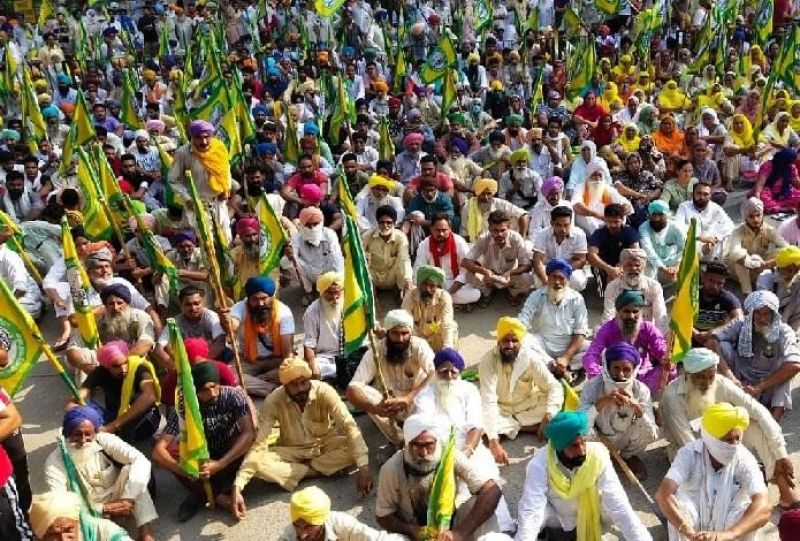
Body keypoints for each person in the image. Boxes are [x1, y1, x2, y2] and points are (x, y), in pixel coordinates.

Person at [231, 357, 371, 517]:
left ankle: (301, 473)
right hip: (291, 450)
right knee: (260, 464)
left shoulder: (324, 391)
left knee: (356, 445)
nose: (300, 389)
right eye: (294, 385)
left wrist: (363, 468)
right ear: (285, 386)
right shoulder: (273, 401)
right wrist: (238, 486)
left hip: (324, 445)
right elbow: (259, 444)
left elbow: (348, 425)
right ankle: (317, 471)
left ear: (309, 379)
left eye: (304, 382)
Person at [661, 348, 796, 507]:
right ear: (687, 375)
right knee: (712, 493)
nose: (707, 383)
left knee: (756, 425)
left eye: (710, 376)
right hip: (693, 448)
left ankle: (784, 487)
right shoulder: (672, 396)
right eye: (700, 377)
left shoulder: (721, 382)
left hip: (726, 438)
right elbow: (687, 442)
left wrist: (781, 455)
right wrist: (730, 464)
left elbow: (759, 412)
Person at [414, 348, 515, 532]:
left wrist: (465, 453)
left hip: (471, 451)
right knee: (443, 503)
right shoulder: (425, 395)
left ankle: (504, 529)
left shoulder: (469, 390)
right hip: (437, 456)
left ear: (460, 373)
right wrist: (446, 460)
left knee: (488, 484)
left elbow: (476, 425)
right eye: (443, 371)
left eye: (454, 372)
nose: (449, 376)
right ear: (436, 372)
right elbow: (426, 429)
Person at [515, 410, 652, 540]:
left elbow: (620, 505)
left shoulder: (598, 456)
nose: (582, 451)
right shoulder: (539, 465)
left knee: (615, 506)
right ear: (559, 447)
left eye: (584, 442)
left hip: (593, 513)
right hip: (559, 517)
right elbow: (531, 510)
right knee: (531, 515)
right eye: (574, 446)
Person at [152, 363, 255, 522]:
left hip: (229, 452)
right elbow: (158, 451)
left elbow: (249, 432)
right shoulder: (185, 407)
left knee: (251, 443)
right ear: (195, 392)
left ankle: (202, 493)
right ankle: (216, 495)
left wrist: (220, 464)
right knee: (172, 454)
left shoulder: (233, 395)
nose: (212, 393)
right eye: (204, 390)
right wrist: (184, 471)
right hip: (201, 457)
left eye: (214, 386)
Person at [655, 403, 771, 541]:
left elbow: (764, 506)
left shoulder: (744, 458)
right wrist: (689, 532)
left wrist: (728, 535)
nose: (734, 445)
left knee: (749, 514)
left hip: (728, 523)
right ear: (711, 439)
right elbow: (663, 494)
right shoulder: (688, 453)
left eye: (737, 438)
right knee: (680, 507)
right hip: (694, 522)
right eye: (728, 440)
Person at [375, 414, 502, 540]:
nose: (424, 453)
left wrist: (460, 533)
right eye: (417, 445)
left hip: (450, 528)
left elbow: (492, 490)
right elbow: (383, 515)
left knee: (480, 506)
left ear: (436, 441)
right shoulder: (391, 468)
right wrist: (412, 530)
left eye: (429, 445)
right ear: (407, 443)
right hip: (413, 534)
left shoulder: (449, 455)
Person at [44, 406, 157, 541]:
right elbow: (60, 502)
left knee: (134, 474)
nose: (83, 440)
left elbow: (141, 461)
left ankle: (146, 533)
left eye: (88, 434)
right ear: (67, 434)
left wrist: (127, 499)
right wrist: (103, 509)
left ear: (95, 432)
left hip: (117, 498)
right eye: (77, 434)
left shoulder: (104, 440)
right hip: (86, 511)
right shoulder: (55, 461)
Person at [479, 317, 563, 465]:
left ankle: (510, 428)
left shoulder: (530, 359)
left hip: (528, 405)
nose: (510, 345)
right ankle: (527, 428)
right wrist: (493, 441)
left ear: (521, 342)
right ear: (498, 341)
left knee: (554, 403)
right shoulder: (488, 361)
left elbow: (553, 386)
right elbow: (489, 400)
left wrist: (549, 415)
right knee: (477, 423)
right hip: (500, 408)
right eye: (505, 340)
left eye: (514, 340)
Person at [346, 310, 435, 448]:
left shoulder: (419, 346)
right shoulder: (375, 351)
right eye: (395, 333)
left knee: (432, 391)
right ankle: (401, 441)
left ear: (410, 333)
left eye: (404, 333)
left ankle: (417, 433)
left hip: (415, 401)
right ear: (387, 332)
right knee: (362, 392)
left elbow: (434, 373)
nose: (400, 339)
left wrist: (408, 398)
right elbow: (352, 390)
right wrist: (376, 409)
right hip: (388, 406)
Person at [707, 290, 800, 420]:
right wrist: (730, 376)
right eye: (758, 313)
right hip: (739, 376)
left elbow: (795, 365)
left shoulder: (784, 331)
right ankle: (722, 400)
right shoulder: (741, 322)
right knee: (722, 346)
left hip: (767, 382)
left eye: (766, 313)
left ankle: (774, 421)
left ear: (773, 313)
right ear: (751, 312)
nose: (762, 318)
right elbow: (711, 341)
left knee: (787, 367)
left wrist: (760, 386)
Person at [579, 343, 658, 479]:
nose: (621, 374)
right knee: (580, 430)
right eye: (616, 368)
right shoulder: (592, 387)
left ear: (634, 369)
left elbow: (651, 428)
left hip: (626, 436)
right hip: (598, 437)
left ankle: (628, 455)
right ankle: (598, 458)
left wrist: (636, 407)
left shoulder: (641, 390)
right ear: (607, 367)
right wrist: (602, 403)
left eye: (626, 369)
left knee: (650, 432)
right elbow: (580, 423)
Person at [69, 341, 161, 445]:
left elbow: (150, 396)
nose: (123, 368)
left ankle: (122, 442)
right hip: (113, 416)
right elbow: (82, 393)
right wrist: (73, 405)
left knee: (139, 399)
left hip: (144, 421)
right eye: (116, 366)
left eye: (125, 363)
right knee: (82, 408)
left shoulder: (138, 368)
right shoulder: (100, 372)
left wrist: (114, 425)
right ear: (107, 366)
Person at [585, 289, 674, 393]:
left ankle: (638, 393)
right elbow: (591, 354)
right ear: (618, 312)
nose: (631, 316)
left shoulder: (648, 328)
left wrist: (665, 360)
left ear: (641, 312)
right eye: (626, 311)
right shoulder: (607, 329)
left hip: (642, 375)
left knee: (670, 370)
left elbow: (661, 348)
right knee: (595, 379)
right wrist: (598, 375)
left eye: (635, 312)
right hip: (615, 375)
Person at [518, 258, 590, 379]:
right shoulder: (537, 295)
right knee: (522, 342)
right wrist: (514, 330)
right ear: (548, 277)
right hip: (543, 345)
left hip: (569, 345)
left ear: (567, 280)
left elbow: (581, 332)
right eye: (553, 277)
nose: (557, 282)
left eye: (561, 278)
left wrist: (566, 358)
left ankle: (566, 368)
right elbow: (524, 319)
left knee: (598, 349)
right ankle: (555, 368)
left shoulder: (577, 298)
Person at [224, 276, 295, 397]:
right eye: (255, 299)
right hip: (249, 360)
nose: (260, 304)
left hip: (276, 359)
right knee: (227, 375)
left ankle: (257, 381)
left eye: (264, 298)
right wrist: (227, 321)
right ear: (248, 299)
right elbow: (233, 325)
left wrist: (288, 368)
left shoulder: (284, 312)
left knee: (297, 370)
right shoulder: (240, 307)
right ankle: (272, 389)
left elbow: (287, 353)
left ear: (272, 297)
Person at [66, 284, 155, 377]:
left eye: (120, 303)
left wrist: (118, 363)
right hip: (104, 363)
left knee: (142, 357)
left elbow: (146, 343)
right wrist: (85, 367)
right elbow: (72, 350)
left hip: (129, 359)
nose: (116, 308)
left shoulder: (140, 316)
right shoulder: (97, 318)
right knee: (84, 357)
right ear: (105, 306)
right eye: (111, 304)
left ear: (128, 304)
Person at [167, 120, 233, 241]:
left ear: (212, 136)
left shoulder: (219, 148)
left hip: (218, 203)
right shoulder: (183, 153)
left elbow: (226, 171)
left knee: (225, 240)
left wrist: (226, 189)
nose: (203, 142)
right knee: (202, 242)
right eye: (199, 138)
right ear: (192, 137)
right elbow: (173, 180)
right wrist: (187, 198)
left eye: (206, 137)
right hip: (196, 206)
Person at [461, 210, 534, 307]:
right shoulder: (484, 238)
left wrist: (510, 273)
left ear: (509, 227)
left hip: (509, 277)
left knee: (528, 279)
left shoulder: (516, 239)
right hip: (489, 276)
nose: (499, 234)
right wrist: (484, 271)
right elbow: (465, 261)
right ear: (489, 229)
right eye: (495, 230)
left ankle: (513, 293)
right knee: (469, 275)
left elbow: (527, 265)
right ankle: (487, 292)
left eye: (503, 230)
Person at [278, 485, 404, 541]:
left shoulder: (342, 524)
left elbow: (378, 539)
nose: (302, 535)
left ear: (321, 520)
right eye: (297, 526)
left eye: (309, 527)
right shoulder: (288, 536)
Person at [413, 213, 481, 308]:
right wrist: (428, 287)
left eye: (444, 230)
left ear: (450, 229)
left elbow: (465, 272)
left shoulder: (459, 242)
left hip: (455, 283)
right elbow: (419, 270)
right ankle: (445, 302)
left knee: (475, 294)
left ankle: (439, 301)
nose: (441, 234)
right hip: (433, 284)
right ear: (431, 229)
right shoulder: (424, 245)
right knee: (415, 293)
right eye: (437, 230)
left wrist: (448, 293)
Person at [153, 286, 226, 371]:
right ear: (181, 306)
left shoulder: (211, 316)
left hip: (211, 364)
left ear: (203, 303)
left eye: (196, 303)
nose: (193, 308)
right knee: (168, 347)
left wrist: (199, 363)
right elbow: (158, 350)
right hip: (186, 367)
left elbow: (220, 343)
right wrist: (179, 371)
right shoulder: (175, 322)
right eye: (188, 304)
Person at [725, 197, 786, 295]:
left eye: (758, 215)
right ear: (745, 217)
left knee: (782, 252)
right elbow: (735, 252)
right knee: (739, 258)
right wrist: (753, 264)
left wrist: (767, 264)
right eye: (751, 216)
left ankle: (776, 285)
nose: (755, 220)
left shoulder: (770, 230)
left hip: (761, 267)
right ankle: (747, 293)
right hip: (739, 271)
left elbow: (786, 247)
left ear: (762, 214)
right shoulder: (738, 231)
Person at [601, 248, 669, 334]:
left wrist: (660, 337)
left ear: (644, 266)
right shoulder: (612, 287)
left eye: (637, 265)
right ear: (622, 266)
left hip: (646, 333)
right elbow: (608, 316)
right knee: (598, 331)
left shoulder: (654, 286)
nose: (633, 268)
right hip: (620, 332)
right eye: (629, 265)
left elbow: (661, 316)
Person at [285, 206, 344, 301]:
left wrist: (337, 284)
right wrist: (289, 255)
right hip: (309, 271)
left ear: (321, 223)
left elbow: (337, 260)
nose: (312, 228)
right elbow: (291, 257)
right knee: (286, 261)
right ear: (302, 226)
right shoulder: (297, 238)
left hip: (327, 271)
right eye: (308, 225)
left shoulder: (329, 234)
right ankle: (308, 291)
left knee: (337, 258)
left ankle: (333, 289)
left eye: (315, 224)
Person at [29, 490, 133, 541]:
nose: (63, 539)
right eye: (53, 534)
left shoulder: (102, 531)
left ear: (77, 522)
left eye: (68, 530)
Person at [531, 206, 589, 291]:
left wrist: (563, 270)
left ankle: (569, 296)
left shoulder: (579, 234)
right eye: (558, 225)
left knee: (578, 281)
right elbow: (537, 261)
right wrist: (546, 282)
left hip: (569, 268)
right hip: (548, 268)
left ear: (570, 223)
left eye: (566, 225)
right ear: (552, 223)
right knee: (538, 280)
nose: (563, 229)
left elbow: (581, 259)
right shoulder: (542, 234)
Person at [401, 266, 457, 352]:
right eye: (425, 284)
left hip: (436, 334)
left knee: (452, 327)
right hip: (418, 336)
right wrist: (419, 343)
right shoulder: (409, 297)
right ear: (419, 284)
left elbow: (447, 323)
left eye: (432, 285)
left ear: (437, 286)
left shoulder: (444, 296)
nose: (427, 289)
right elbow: (406, 324)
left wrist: (447, 347)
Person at [586, 204, 640, 293]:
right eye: (609, 221)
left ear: (622, 220)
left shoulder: (630, 232)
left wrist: (620, 267)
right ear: (604, 219)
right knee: (608, 291)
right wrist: (609, 269)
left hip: (623, 266)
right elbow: (591, 256)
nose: (613, 225)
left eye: (616, 222)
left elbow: (636, 252)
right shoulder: (598, 233)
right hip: (603, 267)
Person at [675, 181, 734, 261]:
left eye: (705, 194)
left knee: (729, 237)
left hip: (710, 245)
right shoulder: (684, 207)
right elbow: (678, 227)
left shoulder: (715, 208)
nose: (702, 197)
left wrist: (715, 238)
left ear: (710, 196)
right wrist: (700, 238)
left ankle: (716, 264)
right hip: (692, 243)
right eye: (699, 193)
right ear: (692, 194)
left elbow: (729, 225)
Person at [302, 272, 345, 381]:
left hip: (348, 354)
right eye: (330, 293)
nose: (334, 297)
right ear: (321, 292)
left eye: (337, 292)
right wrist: (314, 368)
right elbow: (309, 345)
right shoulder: (312, 312)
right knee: (307, 369)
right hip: (325, 358)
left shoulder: (348, 305)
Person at [362, 205, 413, 297]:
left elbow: (405, 258)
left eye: (389, 223)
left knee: (402, 262)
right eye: (382, 222)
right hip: (373, 275)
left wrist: (408, 280)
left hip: (391, 276)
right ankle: (373, 296)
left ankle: (400, 293)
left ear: (394, 223)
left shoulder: (400, 237)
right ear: (377, 222)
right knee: (362, 262)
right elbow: (359, 256)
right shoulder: (367, 236)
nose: (385, 226)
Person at [460, 178, 529, 242]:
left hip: (499, 242)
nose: (486, 197)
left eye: (489, 194)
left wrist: (522, 239)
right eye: (482, 194)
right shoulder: (468, 207)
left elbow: (523, 215)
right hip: (477, 243)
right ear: (477, 194)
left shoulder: (500, 203)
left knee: (514, 218)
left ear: (493, 194)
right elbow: (464, 233)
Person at [638, 200, 685, 286]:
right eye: (654, 215)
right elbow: (648, 250)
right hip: (652, 264)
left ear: (667, 215)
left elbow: (683, 249)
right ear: (649, 215)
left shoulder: (677, 228)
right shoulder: (644, 228)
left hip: (673, 264)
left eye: (660, 215)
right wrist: (663, 268)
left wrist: (676, 267)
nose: (657, 219)